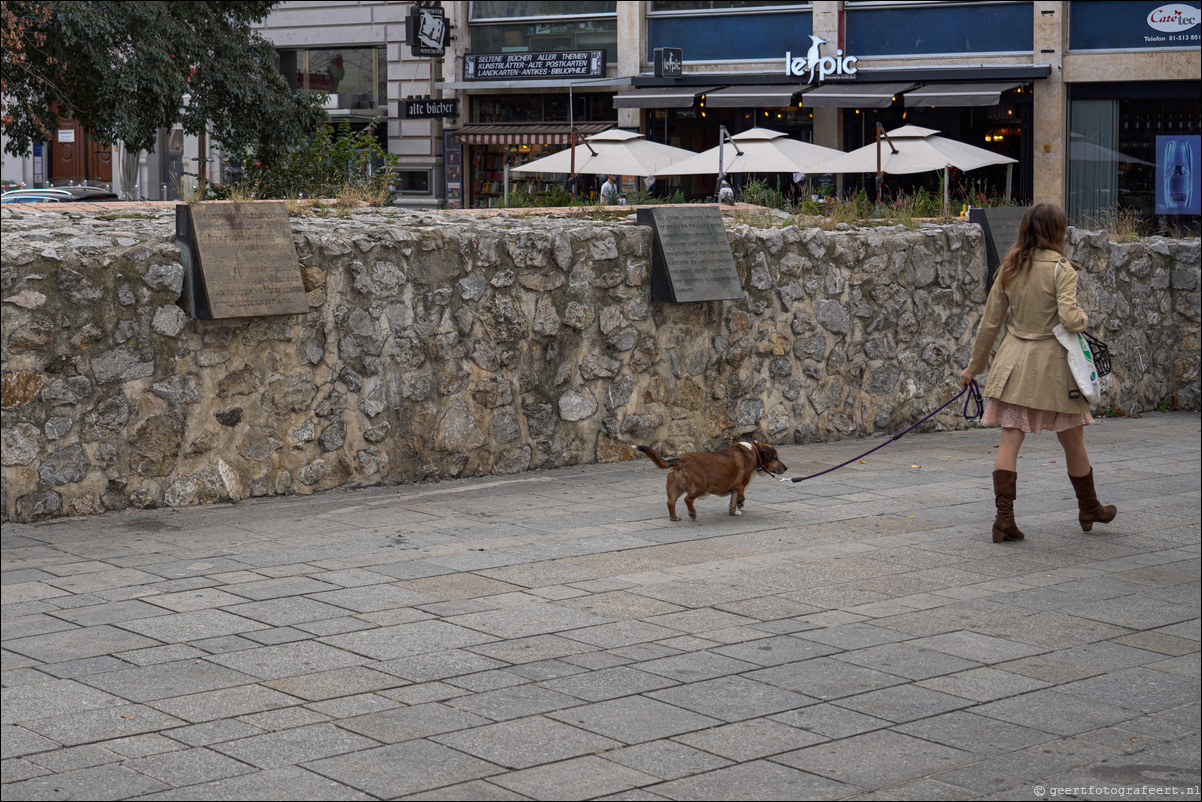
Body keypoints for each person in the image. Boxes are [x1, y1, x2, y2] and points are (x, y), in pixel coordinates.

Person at [959, 202, 1116, 543]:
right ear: (1058, 231)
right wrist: (1083, 317)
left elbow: (990, 324)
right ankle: (1088, 507)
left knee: (1010, 437)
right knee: (1073, 438)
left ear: (1026, 228)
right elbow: (1070, 320)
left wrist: (974, 367)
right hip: (1055, 369)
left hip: (1015, 364)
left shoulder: (1010, 267)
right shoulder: (1063, 270)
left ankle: (1004, 518)